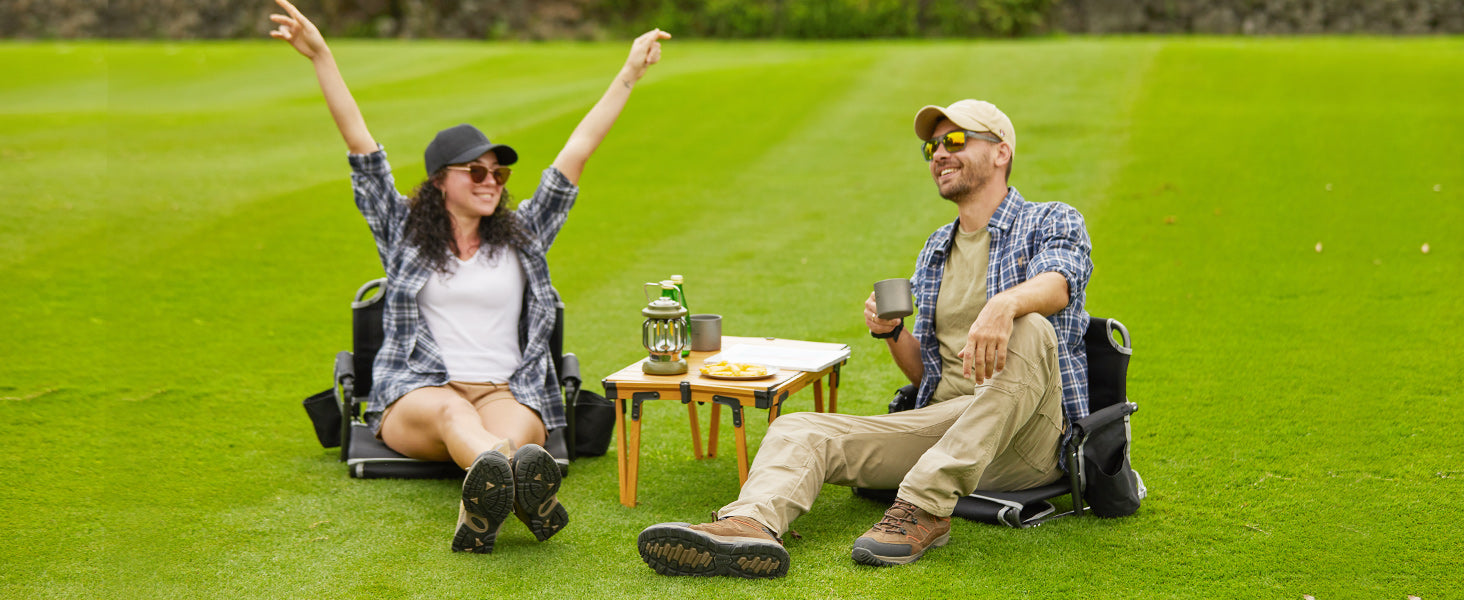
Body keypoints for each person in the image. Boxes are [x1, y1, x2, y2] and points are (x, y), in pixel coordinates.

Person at [269, 0, 669, 554]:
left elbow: (576, 153)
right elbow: (362, 149)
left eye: (499, 173)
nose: (491, 181)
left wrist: (628, 75)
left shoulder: (523, 233)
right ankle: (522, 491)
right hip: (420, 396)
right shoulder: (403, 232)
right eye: (476, 171)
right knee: (458, 415)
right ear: (439, 182)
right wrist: (321, 56)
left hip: (507, 390)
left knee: (514, 435)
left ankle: (483, 501)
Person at [637, 100, 1093, 576]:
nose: (939, 153)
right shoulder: (937, 248)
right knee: (801, 429)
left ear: (1001, 153)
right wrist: (893, 331)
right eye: (932, 146)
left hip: (1027, 438)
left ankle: (924, 508)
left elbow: (1059, 282)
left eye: (954, 140)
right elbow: (927, 374)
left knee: (1029, 325)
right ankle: (748, 526)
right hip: (946, 428)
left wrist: (1004, 305)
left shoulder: (1052, 220)